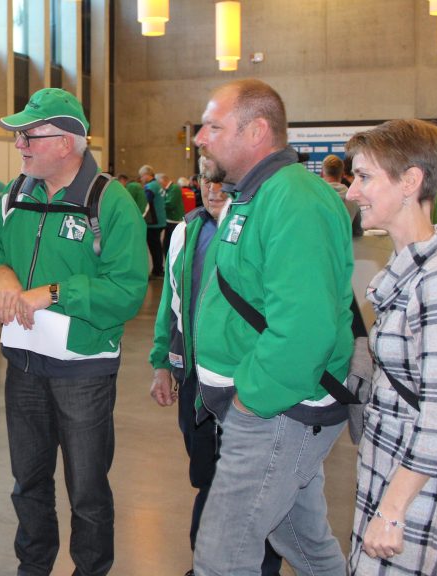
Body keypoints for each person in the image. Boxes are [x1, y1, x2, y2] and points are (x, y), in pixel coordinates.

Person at [0, 87, 148, 576]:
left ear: (66, 142)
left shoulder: (109, 202)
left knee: (87, 490)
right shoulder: (15, 195)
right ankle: (32, 567)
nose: (20, 145)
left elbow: (128, 290)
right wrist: (2, 276)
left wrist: (54, 292)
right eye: (19, 136)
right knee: (28, 483)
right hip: (23, 364)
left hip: (84, 372)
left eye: (29, 136)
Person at [191, 79, 353, 576]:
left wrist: (249, 401)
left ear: (256, 131)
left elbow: (304, 328)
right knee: (300, 540)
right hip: (267, 407)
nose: (199, 137)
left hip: (276, 410)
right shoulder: (251, 195)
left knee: (221, 557)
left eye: (213, 126)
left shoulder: (294, 199)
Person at [343, 119, 437, 575]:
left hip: (425, 504)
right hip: (393, 479)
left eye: (365, 177)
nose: (352, 192)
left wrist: (392, 511)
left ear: (410, 181)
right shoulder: (411, 270)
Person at [148, 161, 283, 576]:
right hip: (196, 382)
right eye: (207, 180)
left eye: (223, 181)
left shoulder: (264, 229)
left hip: (249, 383)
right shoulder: (186, 231)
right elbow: (172, 302)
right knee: (208, 476)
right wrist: (161, 362)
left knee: (253, 483)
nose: (213, 189)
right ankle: (206, 563)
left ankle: (257, 567)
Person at [322, 154, 363, 237]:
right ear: (342, 173)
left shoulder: (314, 195)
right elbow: (358, 231)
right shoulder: (352, 198)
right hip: (342, 244)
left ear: (322, 173)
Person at [140, 164, 166, 276]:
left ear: (147, 175)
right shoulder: (157, 184)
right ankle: (158, 269)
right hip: (161, 220)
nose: (141, 179)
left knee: (154, 247)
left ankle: (157, 270)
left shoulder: (150, 187)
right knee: (157, 247)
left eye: (142, 176)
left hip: (153, 222)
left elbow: (145, 203)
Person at [158, 171, 185, 254]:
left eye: (159, 183)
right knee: (166, 243)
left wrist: (159, 205)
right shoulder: (167, 189)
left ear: (163, 181)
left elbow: (170, 204)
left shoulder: (174, 188)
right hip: (169, 219)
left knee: (172, 243)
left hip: (175, 220)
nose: (159, 185)